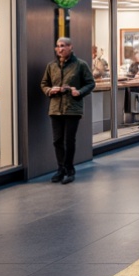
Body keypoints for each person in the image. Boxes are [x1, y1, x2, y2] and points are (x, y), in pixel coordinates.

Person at [40, 36, 96, 183]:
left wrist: (79, 91)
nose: (60, 49)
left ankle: (70, 169)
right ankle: (61, 169)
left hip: (73, 108)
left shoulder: (80, 65)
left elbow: (90, 83)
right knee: (57, 140)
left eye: (63, 46)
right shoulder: (51, 66)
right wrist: (49, 90)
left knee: (69, 140)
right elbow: (44, 83)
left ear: (71, 47)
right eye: (58, 46)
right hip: (55, 108)